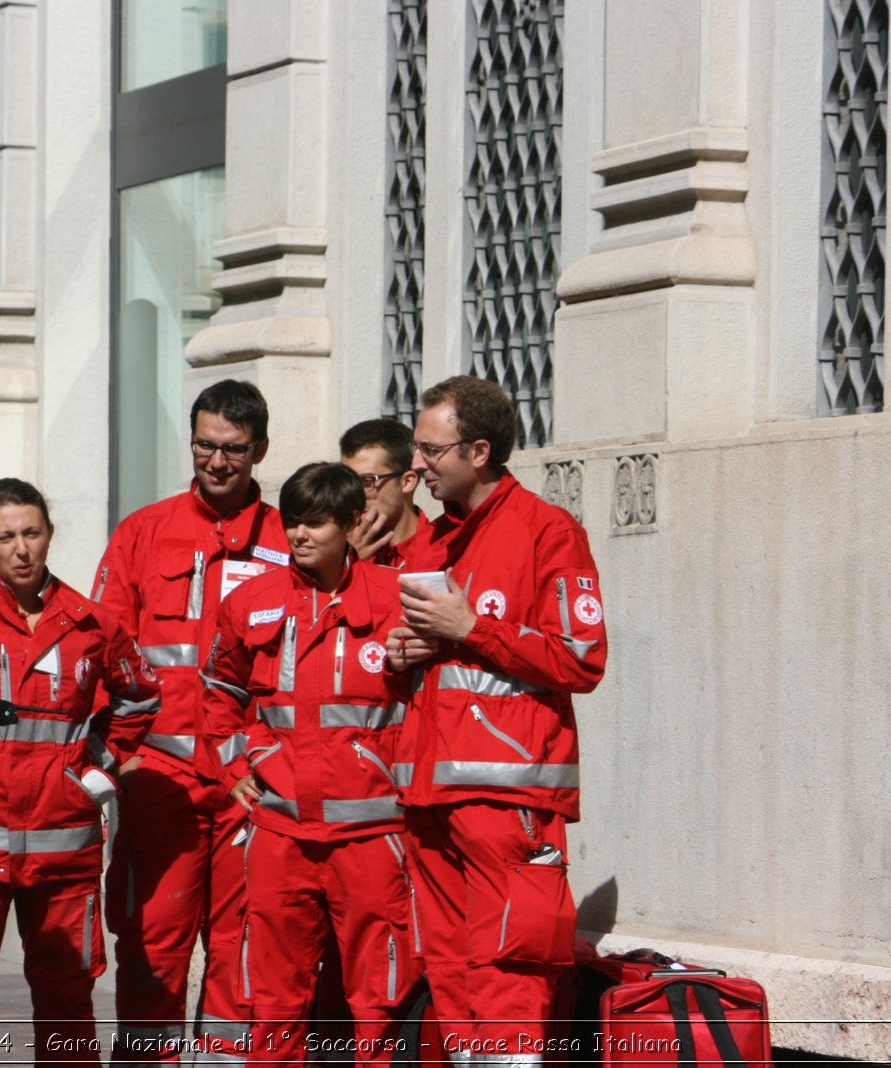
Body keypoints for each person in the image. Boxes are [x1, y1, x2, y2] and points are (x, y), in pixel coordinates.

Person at [386, 377, 607, 1065]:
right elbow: (429, 665)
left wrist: (471, 627)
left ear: (478, 451)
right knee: (451, 976)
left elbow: (582, 659)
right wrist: (401, 654)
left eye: (429, 449)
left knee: (508, 974)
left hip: (507, 800)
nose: (415, 465)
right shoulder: (430, 544)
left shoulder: (548, 532)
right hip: (429, 797)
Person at [91, 380, 292, 1065]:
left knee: (245, 949)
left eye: (233, 449)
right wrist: (115, 755)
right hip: (160, 782)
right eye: (204, 444)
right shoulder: (143, 532)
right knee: (152, 944)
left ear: (259, 450)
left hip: (249, 786)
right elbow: (103, 651)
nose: (215, 461)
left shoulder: (288, 541)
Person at [0, 478, 162, 1066]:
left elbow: (140, 697)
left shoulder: (93, 623)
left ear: (50, 535)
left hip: (65, 845)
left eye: (32, 533)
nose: (21, 549)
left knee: (66, 999)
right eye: (6, 536)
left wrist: (97, 765)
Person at [203, 462, 419, 1067]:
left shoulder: (396, 601)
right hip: (279, 832)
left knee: (380, 995)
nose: (300, 535)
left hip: (374, 835)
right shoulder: (251, 603)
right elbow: (218, 694)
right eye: (293, 521)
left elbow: (427, 704)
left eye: (316, 523)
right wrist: (235, 768)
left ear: (352, 524)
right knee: (274, 995)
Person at [339, 418, 428, 569]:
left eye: (367, 481)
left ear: (407, 482)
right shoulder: (335, 545)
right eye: (347, 481)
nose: (352, 493)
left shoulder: (444, 549)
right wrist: (346, 564)